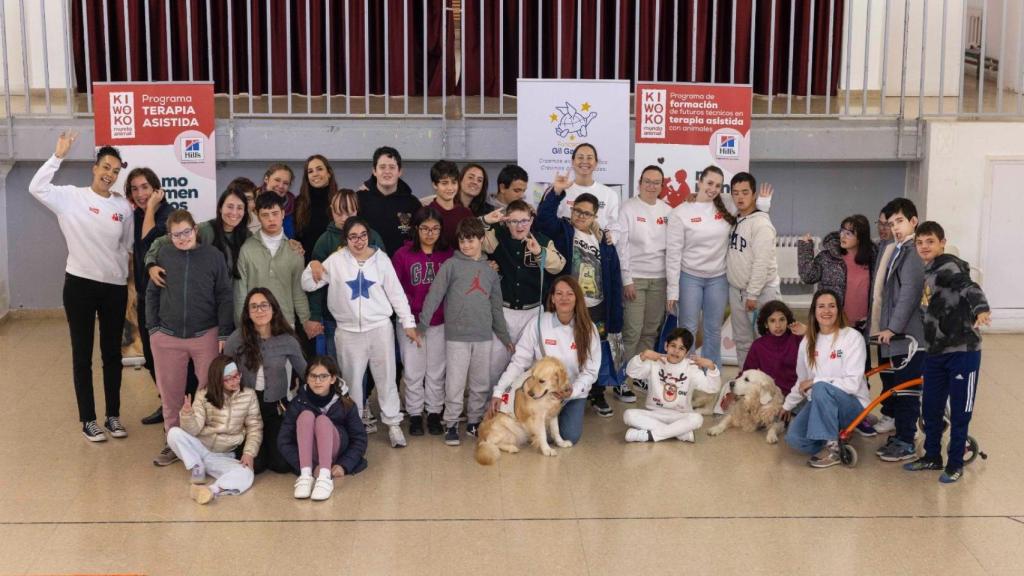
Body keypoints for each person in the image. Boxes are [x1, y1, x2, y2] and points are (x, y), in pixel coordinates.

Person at [29, 132, 133, 442]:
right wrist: (57, 155)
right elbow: (36, 188)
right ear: (95, 167)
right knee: (82, 354)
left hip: (114, 288)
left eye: (116, 171)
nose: (110, 175)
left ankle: (113, 416)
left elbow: (126, 248)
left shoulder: (123, 207)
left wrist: (128, 286)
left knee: (112, 354)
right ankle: (88, 419)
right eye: (106, 167)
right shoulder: (71, 197)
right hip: (80, 286)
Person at [301, 218, 421, 449]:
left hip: (379, 328)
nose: (359, 241)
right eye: (353, 236)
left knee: (386, 377)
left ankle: (393, 423)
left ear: (369, 236)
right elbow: (308, 284)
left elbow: (396, 293)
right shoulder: (336, 261)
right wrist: (313, 265)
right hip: (347, 331)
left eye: (363, 235)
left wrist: (408, 323)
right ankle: (354, 428)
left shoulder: (381, 260)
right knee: (351, 382)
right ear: (345, 240)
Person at [904, 221, 991, 483]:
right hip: (936, 353)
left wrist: (981, 309)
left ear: (942, 242)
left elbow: (970, 288)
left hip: (962, 351)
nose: (924, 247)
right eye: (919, 242)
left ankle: (955, 464)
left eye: (930, 241)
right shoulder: (930, 270)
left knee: (961, 413)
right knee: (931, 407)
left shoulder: (949, 266)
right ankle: (932, 456)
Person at [146, 209, 235, 465]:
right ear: (169, 236)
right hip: (167, 337)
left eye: (186, 232)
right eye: (176, 235)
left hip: (205, 334)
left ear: (195, 230)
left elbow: (224, 295)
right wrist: (153, 329)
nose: (182, 238)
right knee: (171, 394)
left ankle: (204, 441)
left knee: (208, 391)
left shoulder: (213, 256)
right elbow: (152, 294)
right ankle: (172, 441)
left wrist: (224, 330)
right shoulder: (163, 254)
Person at [666, 166, 772, 369]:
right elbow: (673, 254)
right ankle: (685, 374)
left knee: (713, 329)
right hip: (690, 277)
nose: (713, 188)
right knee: (688, 328)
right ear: (699, 182)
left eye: (717, 185)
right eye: (709, 183)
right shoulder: (681, 213)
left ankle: (710, 373)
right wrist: (672, 289)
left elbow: (751, 209)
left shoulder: (727, 203)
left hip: (718, 278)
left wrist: (765, 204)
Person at [417, 218, 512, 444]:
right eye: (462, 241)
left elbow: (496, 307)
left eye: (471, 240)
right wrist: (423, 324)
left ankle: (474, 421)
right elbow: (434, 296)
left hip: (483, 337)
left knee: (480, 383)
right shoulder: (451, 265)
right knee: (455, 383)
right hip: (457, 337)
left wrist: (504, 336)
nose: (466, 245)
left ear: (481, 240)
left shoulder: (489, 272)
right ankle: (450, 423)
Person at [536, 187, 623, 417]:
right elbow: (543, 219)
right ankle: (556, 389)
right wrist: (555, 192)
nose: (581, 216)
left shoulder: (603, 241)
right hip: (567, 304)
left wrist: (615, 313)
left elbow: (614, 276)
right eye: (577, 211)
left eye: (587, 213)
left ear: (595, 216)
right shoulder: (563, 230)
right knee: (564, 346)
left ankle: (596, 393)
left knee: (595, 349)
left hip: (596, 305)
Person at [489, 276, 601, 445]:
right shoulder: (539, 323)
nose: (564, 298)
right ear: (553, 299)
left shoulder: (588, 328)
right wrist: (499, 391)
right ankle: (537, 424)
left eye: (570, 294)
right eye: (559, 293)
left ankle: (545, 423)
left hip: (571, 393)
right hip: (541, 392)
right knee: (530, 430)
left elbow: (591, 371)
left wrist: (572, 391)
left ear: (577, 298)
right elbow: (519, 362)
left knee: (570, 436)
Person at [481, 199, 567, 408]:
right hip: (505, 311)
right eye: (514, 221)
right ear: (506, 222)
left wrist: (539, 253)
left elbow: (559, 266)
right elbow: (471, 240)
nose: (520, 226)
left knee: (529, 364)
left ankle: (522, 409)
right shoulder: (497, 237)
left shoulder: (542, 240)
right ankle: (489, 408)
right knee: (494, 364)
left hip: (532, 312)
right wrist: (485, 223)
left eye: (524, 221)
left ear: (531, 220)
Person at [782, 289, 869, 468]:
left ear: (839, 310)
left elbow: (852, 384)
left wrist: (816, 381)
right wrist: (786, 406)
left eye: (831, 306)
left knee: (820, 387)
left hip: (852, 404)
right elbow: (802, 381)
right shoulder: (807, 342)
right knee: (794, 439)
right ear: (814, 311)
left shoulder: (852, 337)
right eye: (821, 306)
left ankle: (834, 448)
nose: (826, 311)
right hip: (819, 403)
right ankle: (832, 433)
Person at [224, 288, 307, 474]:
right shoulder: (236, 339)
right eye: (254, 307)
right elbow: (223, 372)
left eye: (264, 305)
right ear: (247, 312)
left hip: (275, 407)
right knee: (257, 466)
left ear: (273, 308)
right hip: (246, 408)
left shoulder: (288, 339)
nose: (259, 311)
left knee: (281, 465)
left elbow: (305, 372)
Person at [871, 198, 926, 462]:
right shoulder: (899, 249)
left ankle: (906, 440)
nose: (895, 228)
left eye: (900, 221)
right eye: (891, 223)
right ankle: (903, 434)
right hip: (899, 336)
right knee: (901, 387)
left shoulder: (914, 252)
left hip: (911, 337)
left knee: (906, 390)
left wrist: (892, 328)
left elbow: (909, 295)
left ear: (914, 221)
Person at [165, 356, 262, 505]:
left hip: (224, 454)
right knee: (173, 433)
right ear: (218, 379)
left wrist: (249, 453)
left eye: (237, 376)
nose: (234, 381)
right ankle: (197, 467)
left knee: (247, 473)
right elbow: (194, 429)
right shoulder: (203, 395)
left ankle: (211, 490)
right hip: (201, 446)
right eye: (228, 379)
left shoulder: (249, 395)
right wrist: (187, 414)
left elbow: (255, 427)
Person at [392, 207, 454, 436]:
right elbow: (395, 289)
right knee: (413, 370)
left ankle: (435, 412)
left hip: (440, 321)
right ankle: (416, 414)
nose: (430, 233)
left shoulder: (448, 254)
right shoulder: (402, 254)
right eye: (425, 228)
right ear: (416, 229)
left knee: (436, 370)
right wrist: (409, 315)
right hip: (411, 322)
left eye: (435, 229)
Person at [306, 188, 385, 359]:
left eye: (349, 212)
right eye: (338, 213)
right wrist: (315, 315)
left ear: (357, 210)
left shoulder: (372, 238)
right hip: (333, 319)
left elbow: (385, 277)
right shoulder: (325, 241)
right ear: (331, 212)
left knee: (360, 370)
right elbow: (315, 284)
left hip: (368, 318)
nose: (344, 218)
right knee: (334, 365)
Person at [615, 165, 671, 400]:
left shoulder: (668, 210)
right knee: (632, 331)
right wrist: (626, 279)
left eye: (656, 182)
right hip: (635, 278)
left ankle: (639, 374)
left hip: (660, 278)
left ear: (661, 185)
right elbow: (622, 246)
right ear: (639, 183)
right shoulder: (628, 208)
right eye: (647, 181)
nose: (651, 186)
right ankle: (620, 379)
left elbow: (673, 247)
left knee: (650, 331)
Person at [279, 356, 368, 501]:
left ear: (333, 379)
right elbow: (284, 440)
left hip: (336, 451)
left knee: (322, 421)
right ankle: (305, 474)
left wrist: (344, 465)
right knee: (306, 415)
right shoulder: (298, 403)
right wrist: (313, 467)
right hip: (308, 456)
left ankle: (325, 477)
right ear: (306, 378)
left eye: (323, 376)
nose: (317, 381)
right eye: (313, 376)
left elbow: (359, 439)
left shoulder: (345, 403)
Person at [125, 166, 174, 426]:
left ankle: (176, 405)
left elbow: (147, 245)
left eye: (145, 187)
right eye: (135, 189)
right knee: (152, 357)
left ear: (156, 189)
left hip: (167, 298)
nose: (141, 193)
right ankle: (166, 402)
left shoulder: (169, 214)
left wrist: (152, 208)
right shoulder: (135, 216)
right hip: (146, 298)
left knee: (168, 356)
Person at [235, 193, 320, 341]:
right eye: (265, 215)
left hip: (286, 323)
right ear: (257, 216)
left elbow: (298, 290)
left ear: (282, 213)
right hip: (254, 325)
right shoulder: (247, 249)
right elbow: (241, 292)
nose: (271, 219)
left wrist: (305, 320)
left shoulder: (295, 250)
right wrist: (241, 326)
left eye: (275, 213)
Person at [622, 328, 721, 443]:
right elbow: (631, 372)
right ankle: (679, 433)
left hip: (680, 415)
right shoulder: (655, 362)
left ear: (687, 353)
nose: (676, 351)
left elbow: (712, 388)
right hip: (655, 413)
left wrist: (712, 368)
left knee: (697, 419)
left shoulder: (691, 368)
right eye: (673, 346)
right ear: (666, 346)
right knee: (628, 415)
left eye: (681, 348)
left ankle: (649, 436)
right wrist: (642, 357)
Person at [726, 172, 780, 369]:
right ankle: (745, 383)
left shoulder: (761, 223)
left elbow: (762, 263)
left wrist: (753, 294)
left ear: (754, 194)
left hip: (760, 293)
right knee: (742, 342)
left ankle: (769, 386)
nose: (740, 197)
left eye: (745, 192)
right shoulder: (737, 220)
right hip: (738, 291)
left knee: (767, 342)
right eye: (735, 193)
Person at [797, 215, 876, 329]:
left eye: (848, 233)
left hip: (863, 325)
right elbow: (808, 277)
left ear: (860, 238)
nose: (842, 236)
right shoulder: (828, 257)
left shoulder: (873, 257)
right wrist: (805, 249)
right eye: (842, 231)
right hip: (835, 323)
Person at [357, 146, 423, 256]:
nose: (387, 171)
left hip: (401, 268)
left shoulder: (413, 204)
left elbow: (419, 239)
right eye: (382, 167)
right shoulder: (359, 199)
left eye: (392, 167)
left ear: (400, 171)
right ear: (374, 171)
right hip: (367, 265)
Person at [552, 143, 620, 234]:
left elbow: (614, 227)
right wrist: (556, 192)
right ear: (572, 162)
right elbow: (549, 219)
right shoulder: (560, 191)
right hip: (565, 245)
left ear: (596, 163)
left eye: (589, 158)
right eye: (580, 157)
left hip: (597, 246)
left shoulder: (610, 194)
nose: (584, 161)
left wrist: (612, 236)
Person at [742, 301, 804, 397]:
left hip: (796, 395)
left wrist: (807, 331)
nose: (778, 325)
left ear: (788, 321)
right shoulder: (758, 345)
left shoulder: (798, 339)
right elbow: (746, 373)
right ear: (766, 324)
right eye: (772, 321)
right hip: (768, 397)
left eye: (782, 320)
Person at [294, 155, 338, 260]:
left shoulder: (339, 200)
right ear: (307, 178)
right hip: (306, 266)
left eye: (319, 169)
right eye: (310, 171)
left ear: (329, 173)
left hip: (335, 266)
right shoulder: (298, 202)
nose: (315, 174)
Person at [427, 160, 475, 248]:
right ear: (434, 185)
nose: (450, 188)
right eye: (444, 183)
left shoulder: (466, 213)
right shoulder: (426, 213)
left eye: (454, 182)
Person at [260, 163, 297, 238]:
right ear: (266, 179)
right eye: (277, 180)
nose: (280, 186)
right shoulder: (251, 202)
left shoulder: (295, 206)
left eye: (285, 183)